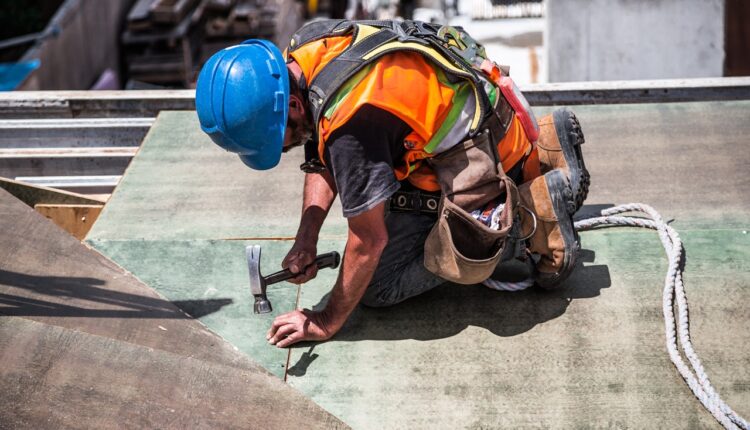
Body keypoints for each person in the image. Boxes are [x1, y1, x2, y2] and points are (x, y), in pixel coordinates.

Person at [196, 20, 589, 348]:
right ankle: (546, 148)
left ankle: (529, 216)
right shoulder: (307, 49)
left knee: (379, 287)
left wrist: (326, 320)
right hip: (487, 119)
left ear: (293, 106)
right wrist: (306, 238)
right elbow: (320, 151)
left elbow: (369, 241)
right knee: (373, 199)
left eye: (276, 141)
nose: (281, 151)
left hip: (482, 158)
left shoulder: (353, 125)